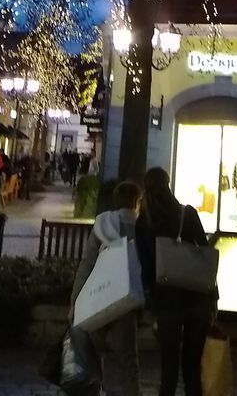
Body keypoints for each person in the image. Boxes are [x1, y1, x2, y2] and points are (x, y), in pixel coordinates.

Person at [135, 167, 215, 396]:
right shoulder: (187, 214)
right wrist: (212, 297)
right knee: (192, 368)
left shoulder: (144, 222)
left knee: (168, 370)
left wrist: (151, 301)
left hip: (167, 302)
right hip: (197, 299)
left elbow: (146, 267)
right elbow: (205, 254)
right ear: (168, 184)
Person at [71, 180, 142, 396]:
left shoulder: (103, 225)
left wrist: (75, 301)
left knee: (91, 355)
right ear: (137, 202)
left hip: (98, 297)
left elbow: (87, 264)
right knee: (126, 358)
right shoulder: (142, 229)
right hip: (126, 301)